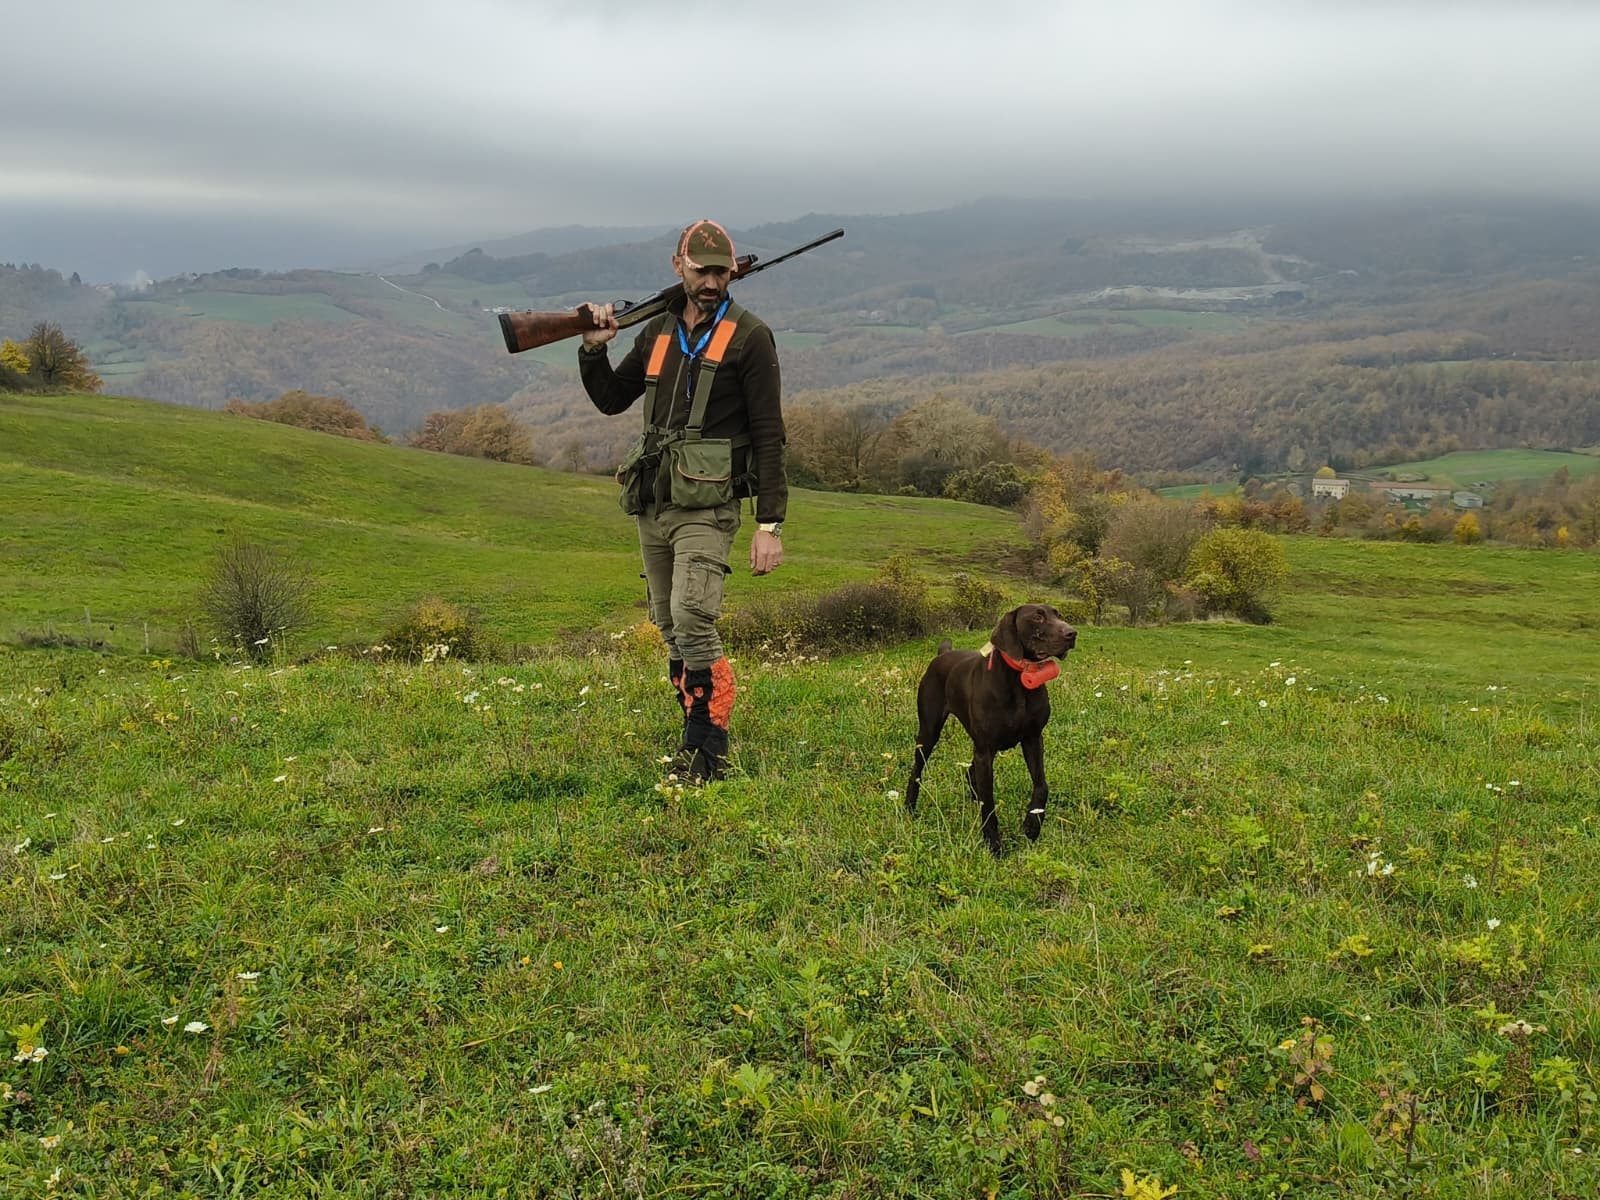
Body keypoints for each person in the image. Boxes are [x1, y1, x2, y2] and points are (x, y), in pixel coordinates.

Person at [578, 219, 787, 783]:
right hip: (654, 499)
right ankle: (694, 733)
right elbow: (610, 400)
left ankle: (708, 751)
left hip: (710, 504)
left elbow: (770, 434)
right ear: (679, 266)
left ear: (733, 269)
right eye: (701, 270)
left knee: (693, 615)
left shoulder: (750, 336)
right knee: (667, 623)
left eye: (721, 271)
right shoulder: (657, 332)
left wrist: (770, 523)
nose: (712, 281)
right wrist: (593, 351)